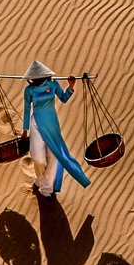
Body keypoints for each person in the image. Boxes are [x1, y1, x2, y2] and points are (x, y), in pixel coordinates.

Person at [21, 60, 91, 197]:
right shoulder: (29, 90)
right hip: (36, 123)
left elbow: (63, 98)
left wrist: (70, 87)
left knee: (54, 156)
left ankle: (47, 190)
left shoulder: (53, 85)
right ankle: (39, 179)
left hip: (52, 123)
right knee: (37, 158)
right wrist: (25, 130)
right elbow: (26, 109)